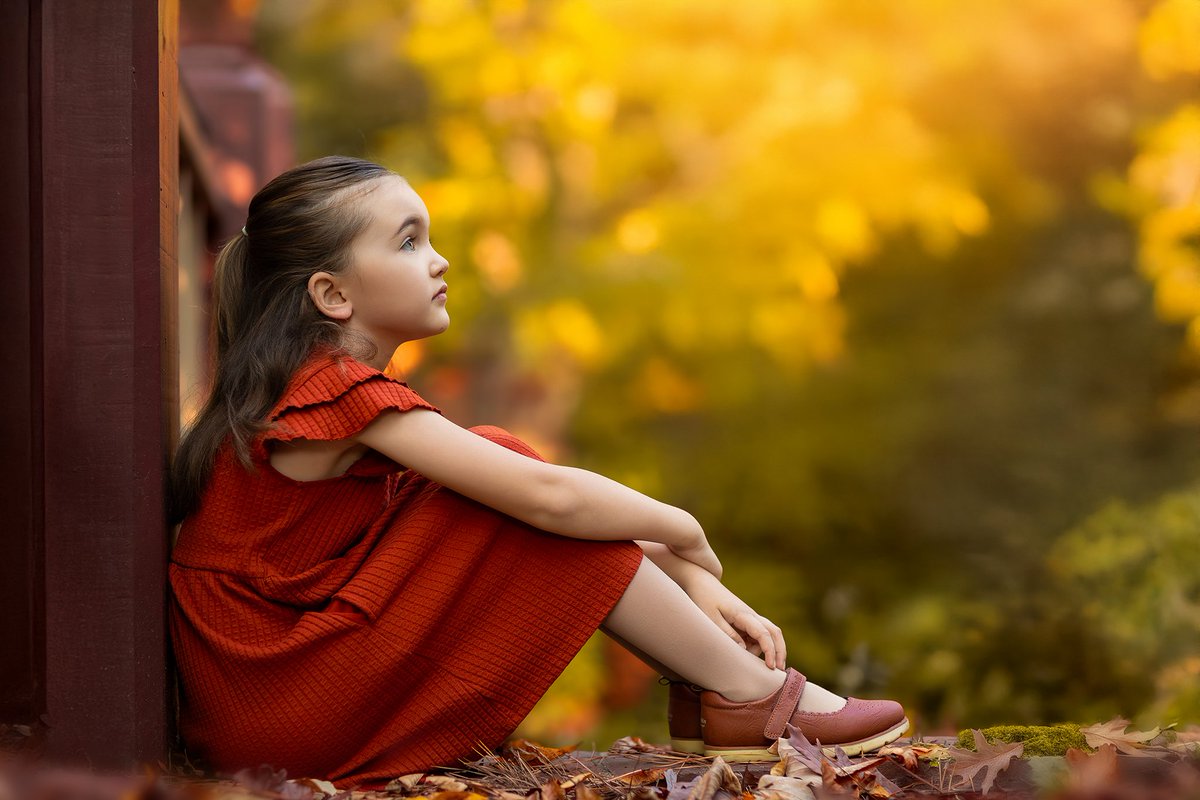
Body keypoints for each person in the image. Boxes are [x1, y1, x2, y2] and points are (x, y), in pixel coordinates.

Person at [168, 156, 908, 788]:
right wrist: (684, 530)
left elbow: (538, 504)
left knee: (497, 470)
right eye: (408, 242)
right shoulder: (331, 390)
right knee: (512, 476)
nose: (439, 260)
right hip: (281, 704)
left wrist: (689, 577)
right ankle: (746, 694)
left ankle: (725, 688)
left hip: (274, 697)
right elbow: (549, 498)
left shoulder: (316, 389)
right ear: (333, 295)